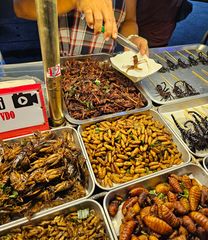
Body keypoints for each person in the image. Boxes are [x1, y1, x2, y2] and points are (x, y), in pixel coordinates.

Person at [13, 0, 148, 56]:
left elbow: (130, 21)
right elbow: (22, 7)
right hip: (58, 68)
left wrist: (132, 38)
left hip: (104, 71)